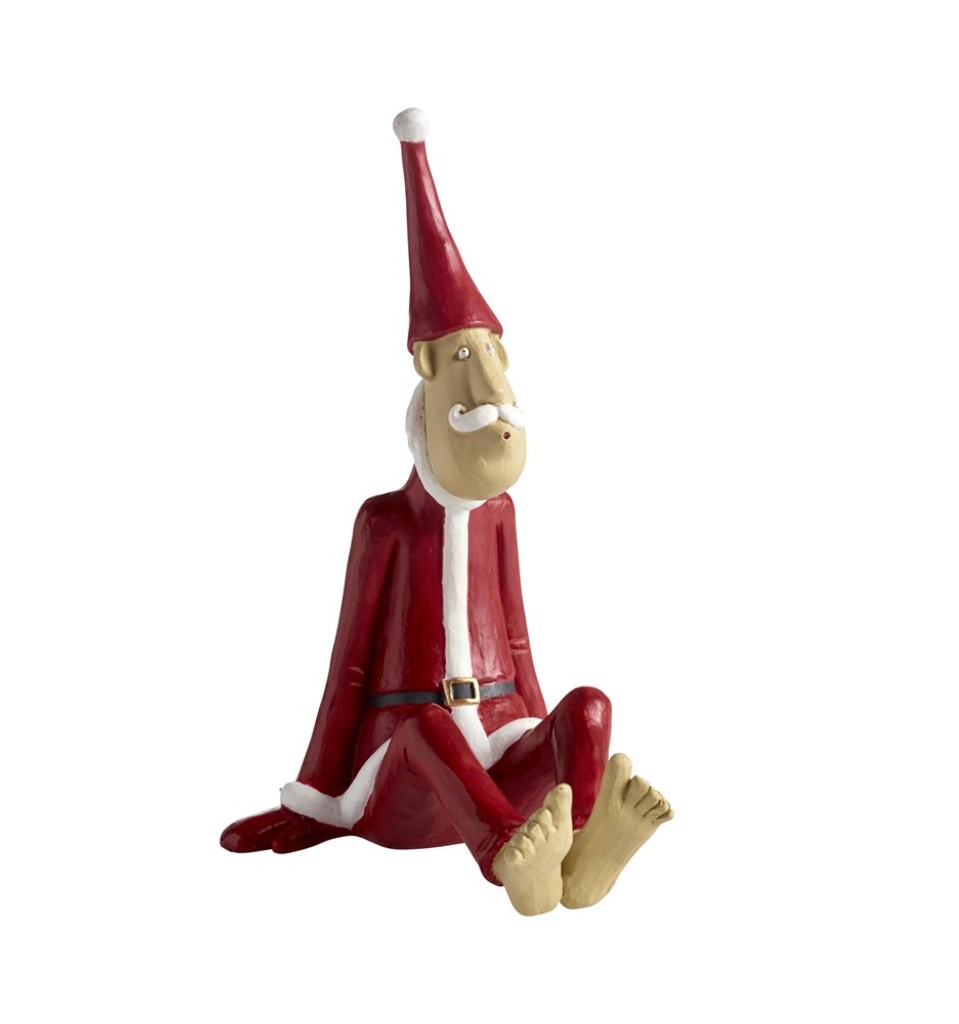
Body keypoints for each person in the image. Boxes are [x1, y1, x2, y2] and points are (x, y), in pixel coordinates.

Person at [220, 109, 672, 915]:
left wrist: (550, 748)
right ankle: (510, 862)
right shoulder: (385, 524)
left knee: (590, 708)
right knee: (427, 725)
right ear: (430, 372)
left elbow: (520, 642)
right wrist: (316, 800)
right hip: (408, 782)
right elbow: (349, 669)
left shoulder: (501, 514)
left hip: (495, 754)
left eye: (492, 353)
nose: (490, 379)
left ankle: (575, 855)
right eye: (466, 354)